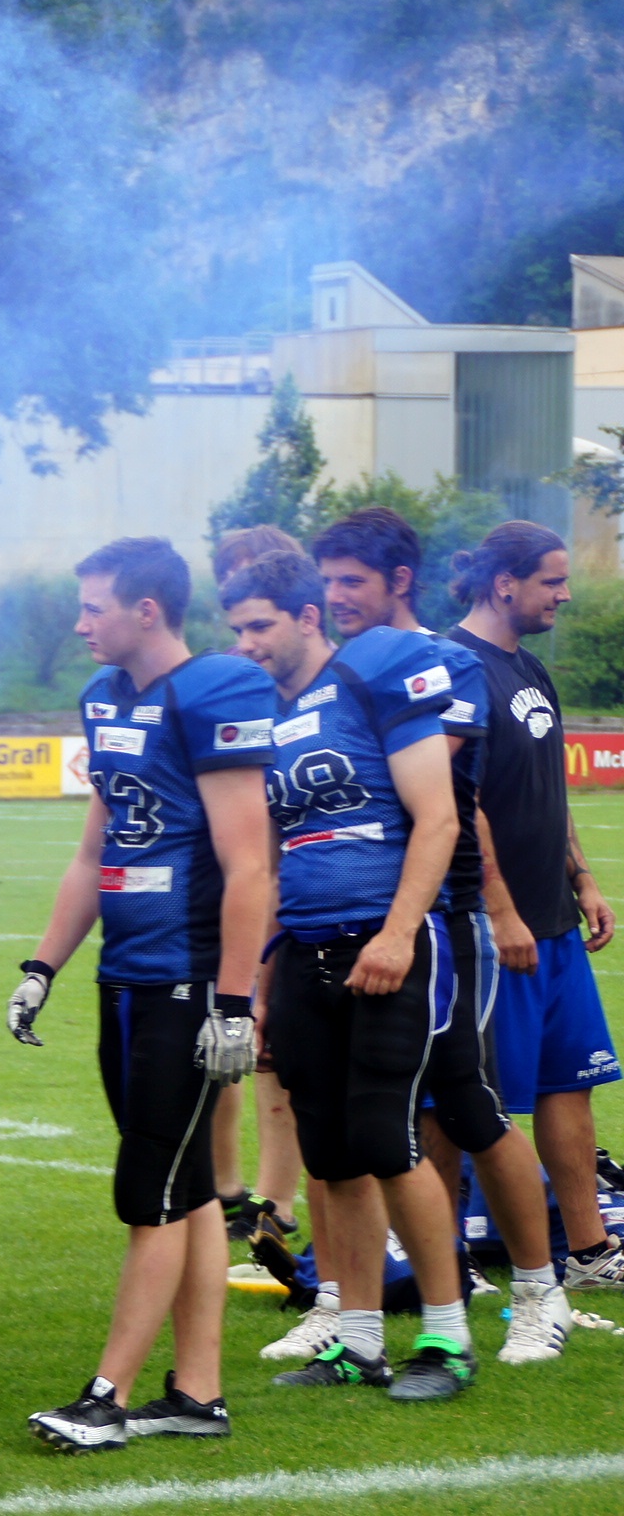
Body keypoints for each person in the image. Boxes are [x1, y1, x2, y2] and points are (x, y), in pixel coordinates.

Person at [10, 537, 272, 1453]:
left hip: (186, 976)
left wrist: (233, 1003)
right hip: (124, 973)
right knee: (186, 1185)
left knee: (150, 1188)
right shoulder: (106, 696)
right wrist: (43, 965)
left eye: (95, 606)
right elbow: (97, 850)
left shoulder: (214, 691)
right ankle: (197, 1394)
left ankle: (107, 1397)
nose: (81, 622)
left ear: (147, 609)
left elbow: (250, 864)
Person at [308, 510, 572, 1365]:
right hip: (368, 921)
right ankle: (357, 1313)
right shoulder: (340, 667)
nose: (336, 596)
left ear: (400, 581)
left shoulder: (443, 662)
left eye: (352, 580)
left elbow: (456, 806)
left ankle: (539, 1294)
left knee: (471, 1104)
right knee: (367, 1119)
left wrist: (498, 907)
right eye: (328, 580)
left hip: (446, 919)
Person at [218, 544, 475, 1401]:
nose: (246, 643)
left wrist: (398, 935)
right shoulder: (265, 715)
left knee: (389, 1142)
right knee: (330, 1157)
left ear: (307, 617)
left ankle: (447, 1338)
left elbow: (438, 818)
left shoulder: (375, 676)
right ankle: (359, 1341)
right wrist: (263, 985)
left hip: (385, 942)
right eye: (236, 629)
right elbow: (272, 862)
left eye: (260, 625)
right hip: (304, 951)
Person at [447, 520, 624, 1291]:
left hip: (553, 922)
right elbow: (459, 801)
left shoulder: (531, 669)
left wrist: (582, 878)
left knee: (569, 1085)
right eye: (552, 580)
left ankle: (589, 1254)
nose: (566, 593)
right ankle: (450, 1261)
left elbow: (550, 792)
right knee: (471, 1101)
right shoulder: (456, 667)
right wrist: (501, 910)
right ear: (503, 583)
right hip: (495, 931)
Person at [209, 524, 308, 1243]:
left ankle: (278, 1200)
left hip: (301, 892)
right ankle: (228, 1190)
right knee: (229, 1041)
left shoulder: (317, 684)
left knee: (279, 1056)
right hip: (241, 886)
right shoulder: (230, 681)